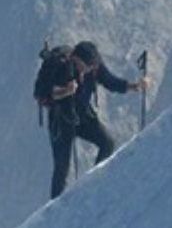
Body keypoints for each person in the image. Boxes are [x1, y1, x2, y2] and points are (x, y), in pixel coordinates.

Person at [44, 40, 149, 199]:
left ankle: (93, 186)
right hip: (61, 121)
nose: (87, 70)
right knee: (61, 168)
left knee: (107, 143)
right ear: (74, 59)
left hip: (83, 116)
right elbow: (45, 95)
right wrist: (66, 91)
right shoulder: (61, 66)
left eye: (90, 67)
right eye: (85, 66)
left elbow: (109, 81)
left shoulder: (94, 66)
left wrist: (134, 86)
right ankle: (54, 210)